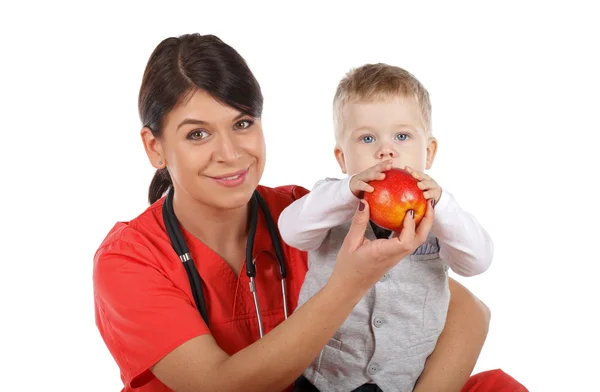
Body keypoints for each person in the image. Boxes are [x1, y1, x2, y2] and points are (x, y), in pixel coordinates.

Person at [92, 33, 522, 392]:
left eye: (243, 124)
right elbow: (219, 386)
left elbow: (466, 309)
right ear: (155, 147)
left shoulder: (308, 211)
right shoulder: (129, 260)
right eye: (198, 134)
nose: (229, 153)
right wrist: (348, 283)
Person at [279, 63, 494, 392]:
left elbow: (477, 261)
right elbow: (291, 230)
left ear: (429, 152)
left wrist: (443, 207)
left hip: (402, 381)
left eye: (402, 136)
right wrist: (344, 192)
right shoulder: (332, 200)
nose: (385, 150)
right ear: (342, 158)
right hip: (322, 379)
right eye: (367, 138)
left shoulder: (439, 214)